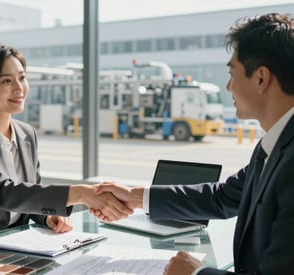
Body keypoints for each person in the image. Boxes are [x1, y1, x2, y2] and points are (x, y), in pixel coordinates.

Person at [92, 13, 294, 274]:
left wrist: (196, 273)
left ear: (260, 79)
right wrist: (135, 197)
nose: (228, 85)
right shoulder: (274, 145)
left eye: (232, 73)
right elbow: (221, 197)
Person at [0, 42, 132, 244]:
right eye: (6, 81)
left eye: (22, 78)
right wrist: (82, 194)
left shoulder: (27, 134)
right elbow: (3, 192)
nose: (19, 88)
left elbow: (29, 193)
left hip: (13, 245)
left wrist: (47, 217)